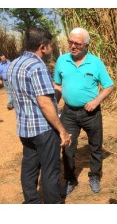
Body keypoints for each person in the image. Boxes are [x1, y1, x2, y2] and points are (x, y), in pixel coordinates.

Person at [6, 27, 72, 204]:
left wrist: (54, 93)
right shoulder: (37, 66)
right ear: (43, 47)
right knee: (50, 171)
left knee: (29, 168)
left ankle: (32, 203)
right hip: (43, 129)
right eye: (50, 45)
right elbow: (44, 103)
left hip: (25, 129)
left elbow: (27, 94)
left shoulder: (14, 64)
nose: (51, 48)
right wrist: (62, 131)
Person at [54, 27, 114, 196]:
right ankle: (70, 179)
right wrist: (54, 104)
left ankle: (94, 176)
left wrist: (96, 101)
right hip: (69, 113)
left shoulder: (95, 62)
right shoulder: (62, 61)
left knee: (95, 146)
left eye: (77, 43)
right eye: (70, 42)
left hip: (91, 114)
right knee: (67, 148)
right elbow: (57, 84)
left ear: (86, 45)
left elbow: (109, 86)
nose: (73, 46)